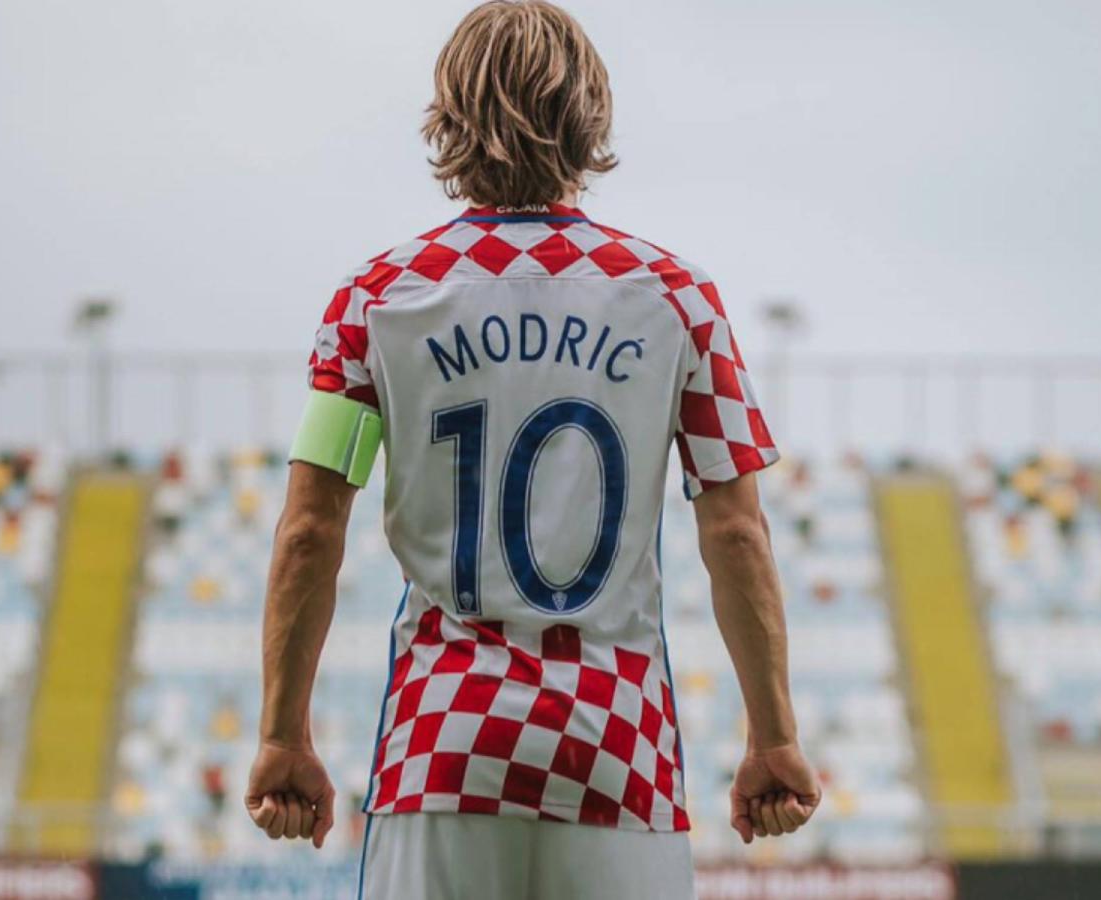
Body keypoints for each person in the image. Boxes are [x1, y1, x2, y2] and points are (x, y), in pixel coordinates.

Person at [244, 2, 820, 897]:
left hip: (442, 745)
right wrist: (773, 737)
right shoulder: (676, 298)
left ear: (449, 116)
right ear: (591, 118)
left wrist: (284, 734)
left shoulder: (374, 300)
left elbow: (310, 530)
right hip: (618, 749)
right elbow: (736, 532)